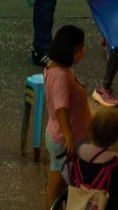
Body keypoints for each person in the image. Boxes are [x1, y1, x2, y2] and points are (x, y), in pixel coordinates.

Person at [44, 25, 91, 210]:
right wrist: (70, 137)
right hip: (69, 143)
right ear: (72, 50)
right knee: (78, 188)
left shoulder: (53, 68)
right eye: (81, 48)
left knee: (55, 188)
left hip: (57, 137)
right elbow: (61, 109)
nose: (83, 51)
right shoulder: (62, 76)